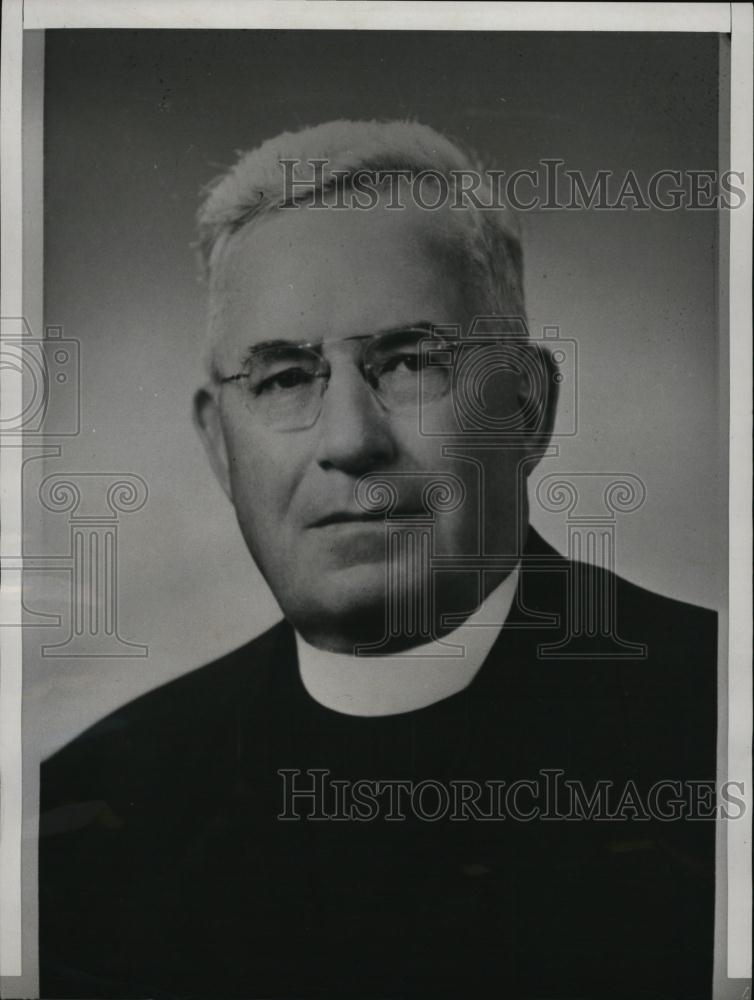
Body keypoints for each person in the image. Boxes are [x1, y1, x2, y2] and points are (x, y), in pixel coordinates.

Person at [39, 120, 717, 1000]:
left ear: (525, 406)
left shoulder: (721, 725)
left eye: (410, 362)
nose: (351, 442)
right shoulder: (93, 812)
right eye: (284, 378)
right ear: (219, 445)